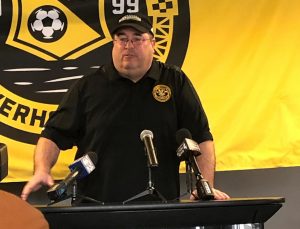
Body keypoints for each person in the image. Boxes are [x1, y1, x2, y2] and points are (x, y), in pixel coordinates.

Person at [21, 13, 229, 203]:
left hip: (161, 210)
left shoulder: (175, 81)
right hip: (96, 211)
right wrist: (41, 169)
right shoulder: (89, 86)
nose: (128, 45)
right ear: (114, 43)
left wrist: (206, 187)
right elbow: (53, 135)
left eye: (137, 38)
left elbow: (200, 138)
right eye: (122, 39)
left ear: (153, 43)